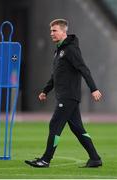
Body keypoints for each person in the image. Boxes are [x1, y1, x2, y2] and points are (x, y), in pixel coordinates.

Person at [25, 19, 102, 168]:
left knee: (55, 125)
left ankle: (45, 160)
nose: (51, 33)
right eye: (51, 31)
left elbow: (83, 69)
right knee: (78, 129)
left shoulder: (71, 49)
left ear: (63, 31)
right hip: (66, 96)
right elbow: (56, 75)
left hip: (68, 96)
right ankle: (95, 158)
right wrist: (45, 90)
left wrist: (94, 88)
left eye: (54, 31)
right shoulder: (59, 50)